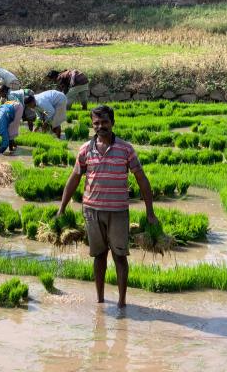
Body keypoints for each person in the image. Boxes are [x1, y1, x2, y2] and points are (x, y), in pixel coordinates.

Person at [57, 105, 158, 308]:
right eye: (96, 123)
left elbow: (142, 179)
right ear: (92, 125)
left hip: (118, 212)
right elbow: (75, 178)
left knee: (120, 256)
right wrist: (62, 208)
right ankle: (100, 300)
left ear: (112, 122)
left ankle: (122, 302)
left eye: (104, 122)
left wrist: (150, 212)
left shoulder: (126, 149)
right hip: (92, 211)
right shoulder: (85, 149)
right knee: (99, 256)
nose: (100, 126)